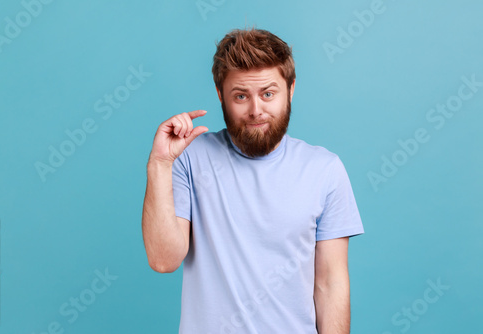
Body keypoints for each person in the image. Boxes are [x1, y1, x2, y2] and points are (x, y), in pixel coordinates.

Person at [142, 27, 364, 334]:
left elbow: (331, 284)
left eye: (268, 94)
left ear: (291, 89)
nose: (256, 110)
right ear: (220, 94)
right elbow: (163, 260)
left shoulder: (325, 169)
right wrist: (159, 164)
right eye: (241, 96)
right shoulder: (190, 158)